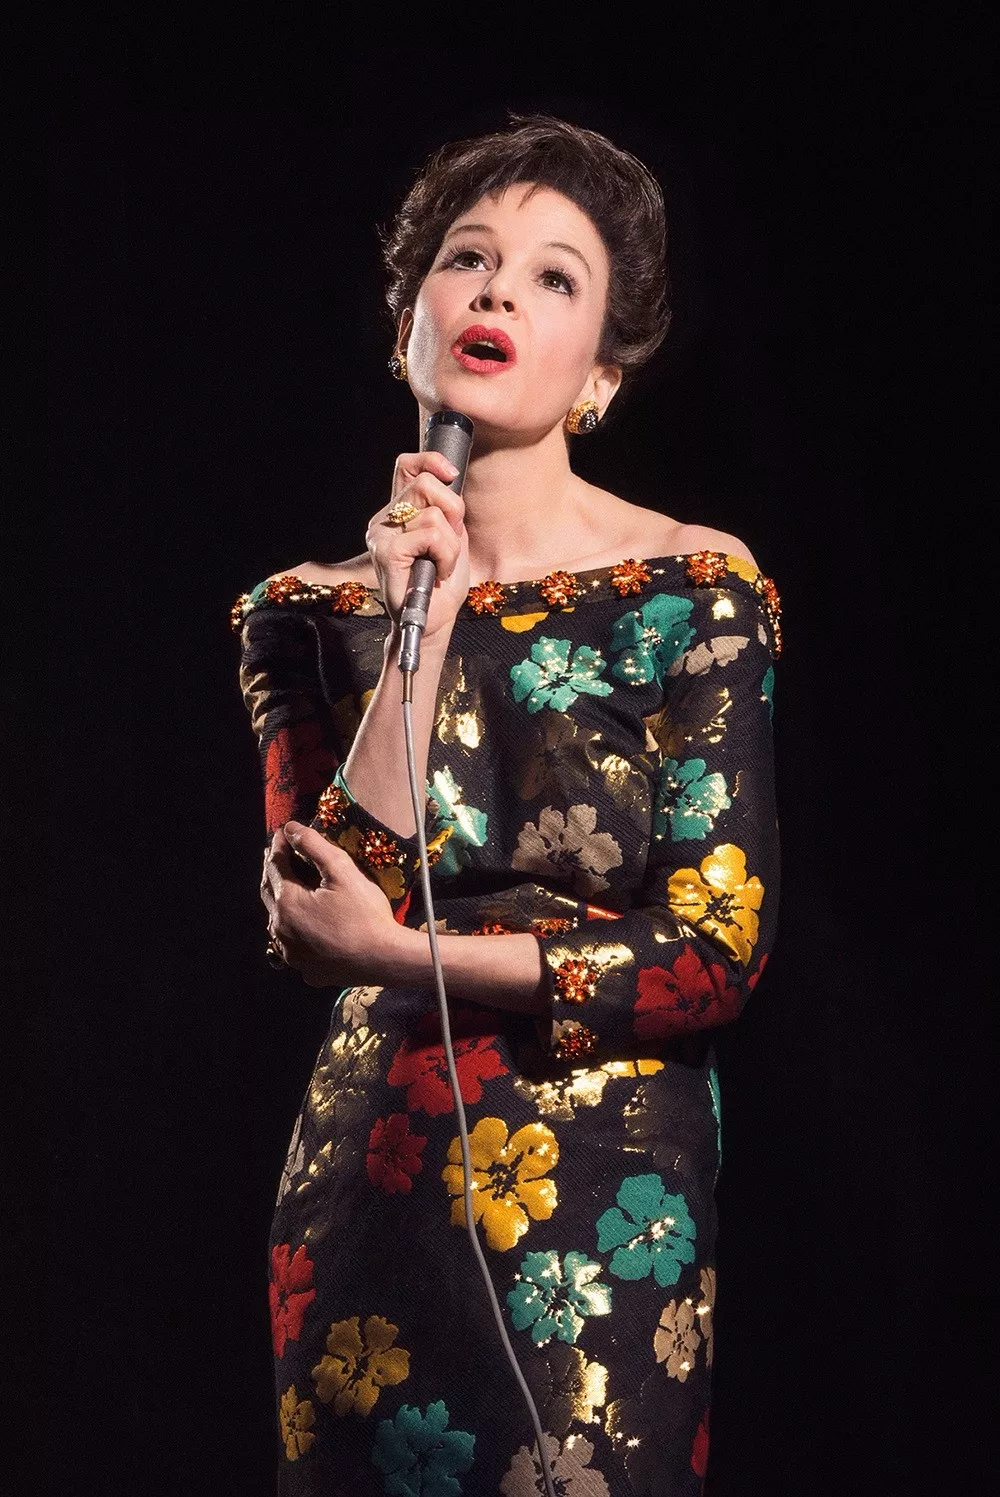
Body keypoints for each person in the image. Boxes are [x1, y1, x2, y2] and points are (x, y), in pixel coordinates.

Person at [233, 113, 781, 1497]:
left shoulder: (693, 587)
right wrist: (423, 620)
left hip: (603, 1202)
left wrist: (407, 954)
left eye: (552, 276)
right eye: (466, 260)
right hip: (371, 1185)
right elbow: (319, 908)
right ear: (408, 322)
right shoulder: (305, 612)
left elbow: (712, 954)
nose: (496, 292)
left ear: (601, 372)